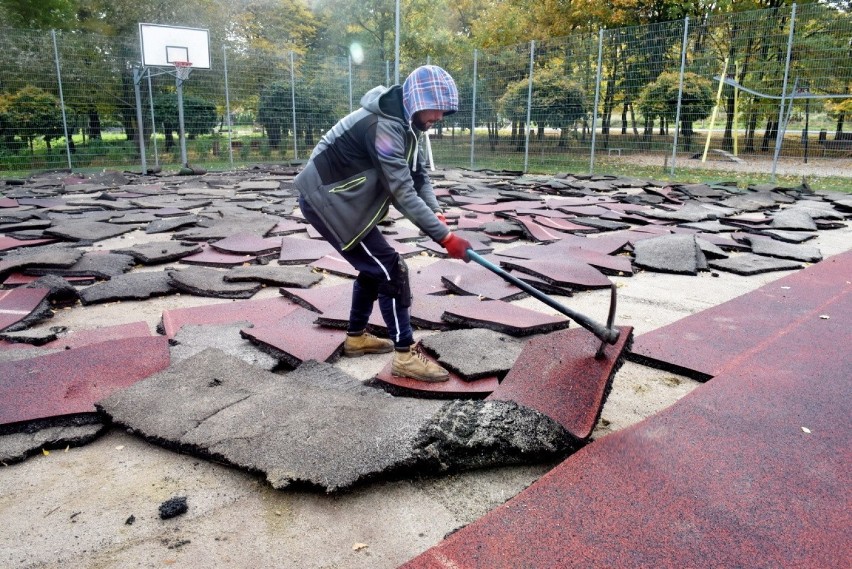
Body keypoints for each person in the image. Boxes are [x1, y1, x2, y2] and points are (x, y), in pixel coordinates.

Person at [295, 65, 472, 383]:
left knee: (373, 268)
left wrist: (436, 212)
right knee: (391, 268)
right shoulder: (385, 126)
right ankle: (405, 355)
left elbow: (418, 176)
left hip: (345, 201)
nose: (441, 117)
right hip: (329, 202)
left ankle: (356, 337)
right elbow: (401, 191)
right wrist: (445, 237)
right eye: (438, 108)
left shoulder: (409, 124)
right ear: (420, 100)